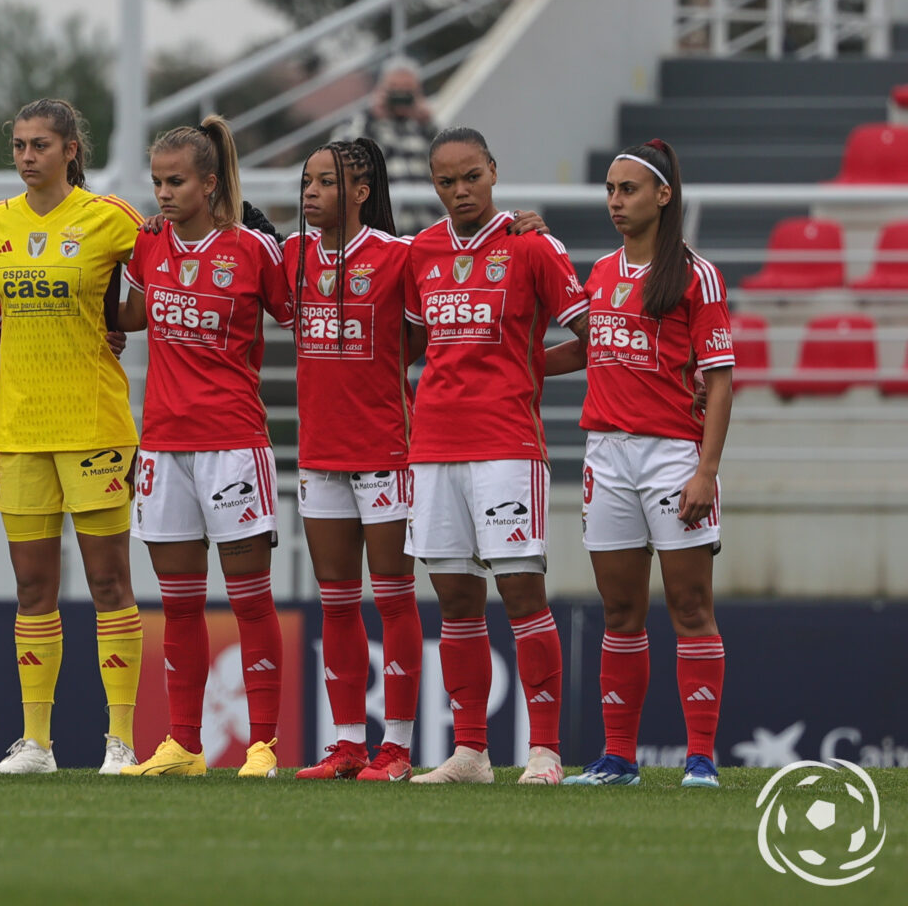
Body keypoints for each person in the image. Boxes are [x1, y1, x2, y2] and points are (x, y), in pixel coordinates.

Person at [544, 140, 733, 790]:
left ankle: (700, 759)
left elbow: (721, 379)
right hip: (607, 453)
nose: (616, 202)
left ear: (664, 195)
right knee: (620, 608)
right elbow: (587, 348)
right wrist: (515, 365)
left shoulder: (695, 275)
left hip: (673, 454)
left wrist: (706, 470)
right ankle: (618, 759)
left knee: (688, 604)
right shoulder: (600, 271)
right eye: (610, 190)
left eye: (628, 189)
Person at [405, 126, 590, 786]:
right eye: (446, 181)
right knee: (455, 598)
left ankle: (543, 750)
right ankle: (472, 753)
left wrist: (527, 366)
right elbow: (410, 347)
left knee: (521, 592)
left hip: (506, 443)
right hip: (433, 447)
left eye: (471, 177)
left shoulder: (532, 246)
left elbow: (595, 334)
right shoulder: (420, 252)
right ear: (434, 185)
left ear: (493, 171)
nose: (460, 191)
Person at [115, 117, 292, 778]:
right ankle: (182, 744)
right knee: (179, 603)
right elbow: (131, 314)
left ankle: (264, 745)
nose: (163, 193)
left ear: (210, 183)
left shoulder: (252, 249)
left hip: (233, 445)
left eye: (176, 181)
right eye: (158, 181)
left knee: (249, 599)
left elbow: (300, 313)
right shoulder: (147, 246)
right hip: (162, 445)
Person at [0, 98, 147, 775]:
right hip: (20, 427)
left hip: (94, 423)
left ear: (71, 149)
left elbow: (165, 273)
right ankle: (37, 745)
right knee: (31, 591)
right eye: (19, 144)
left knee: (109, 583)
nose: (26, 156)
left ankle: (121, 742)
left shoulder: (111, 217)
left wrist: (122, 323)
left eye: (40, 144)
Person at [284, 138, 424, 782]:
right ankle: (346, 744)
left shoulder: (402, 257)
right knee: (337, 602)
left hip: (387, 451)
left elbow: (428, 337)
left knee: (394, 600)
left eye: (324, 182)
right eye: (306, 181)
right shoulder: (292, 256)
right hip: (319, 454)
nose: (310, 192)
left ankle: (395, 746)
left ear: (361, 193)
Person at [338, 58, 436, 190]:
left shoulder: (423, 126)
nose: (401, 96)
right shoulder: (363, 122)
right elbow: (342, 156)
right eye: (394, 89)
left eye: (407, 90)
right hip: (387, 206)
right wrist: (371, 117)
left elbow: (443, 162)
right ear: (381, 90)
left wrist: (427, 123)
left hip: (425, 207)